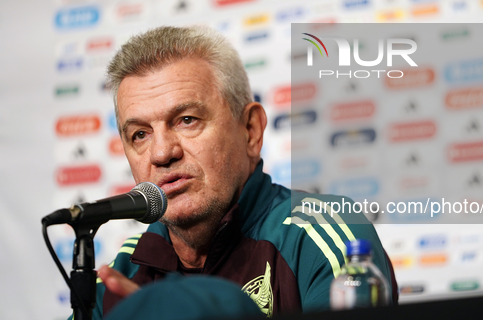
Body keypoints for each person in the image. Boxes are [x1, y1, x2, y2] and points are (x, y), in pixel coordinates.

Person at [88, 26, 397, 319]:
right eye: (140, 135)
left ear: (250, 131)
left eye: (186, 120)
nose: (161, 153)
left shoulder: (322, 236)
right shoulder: (123, 272)